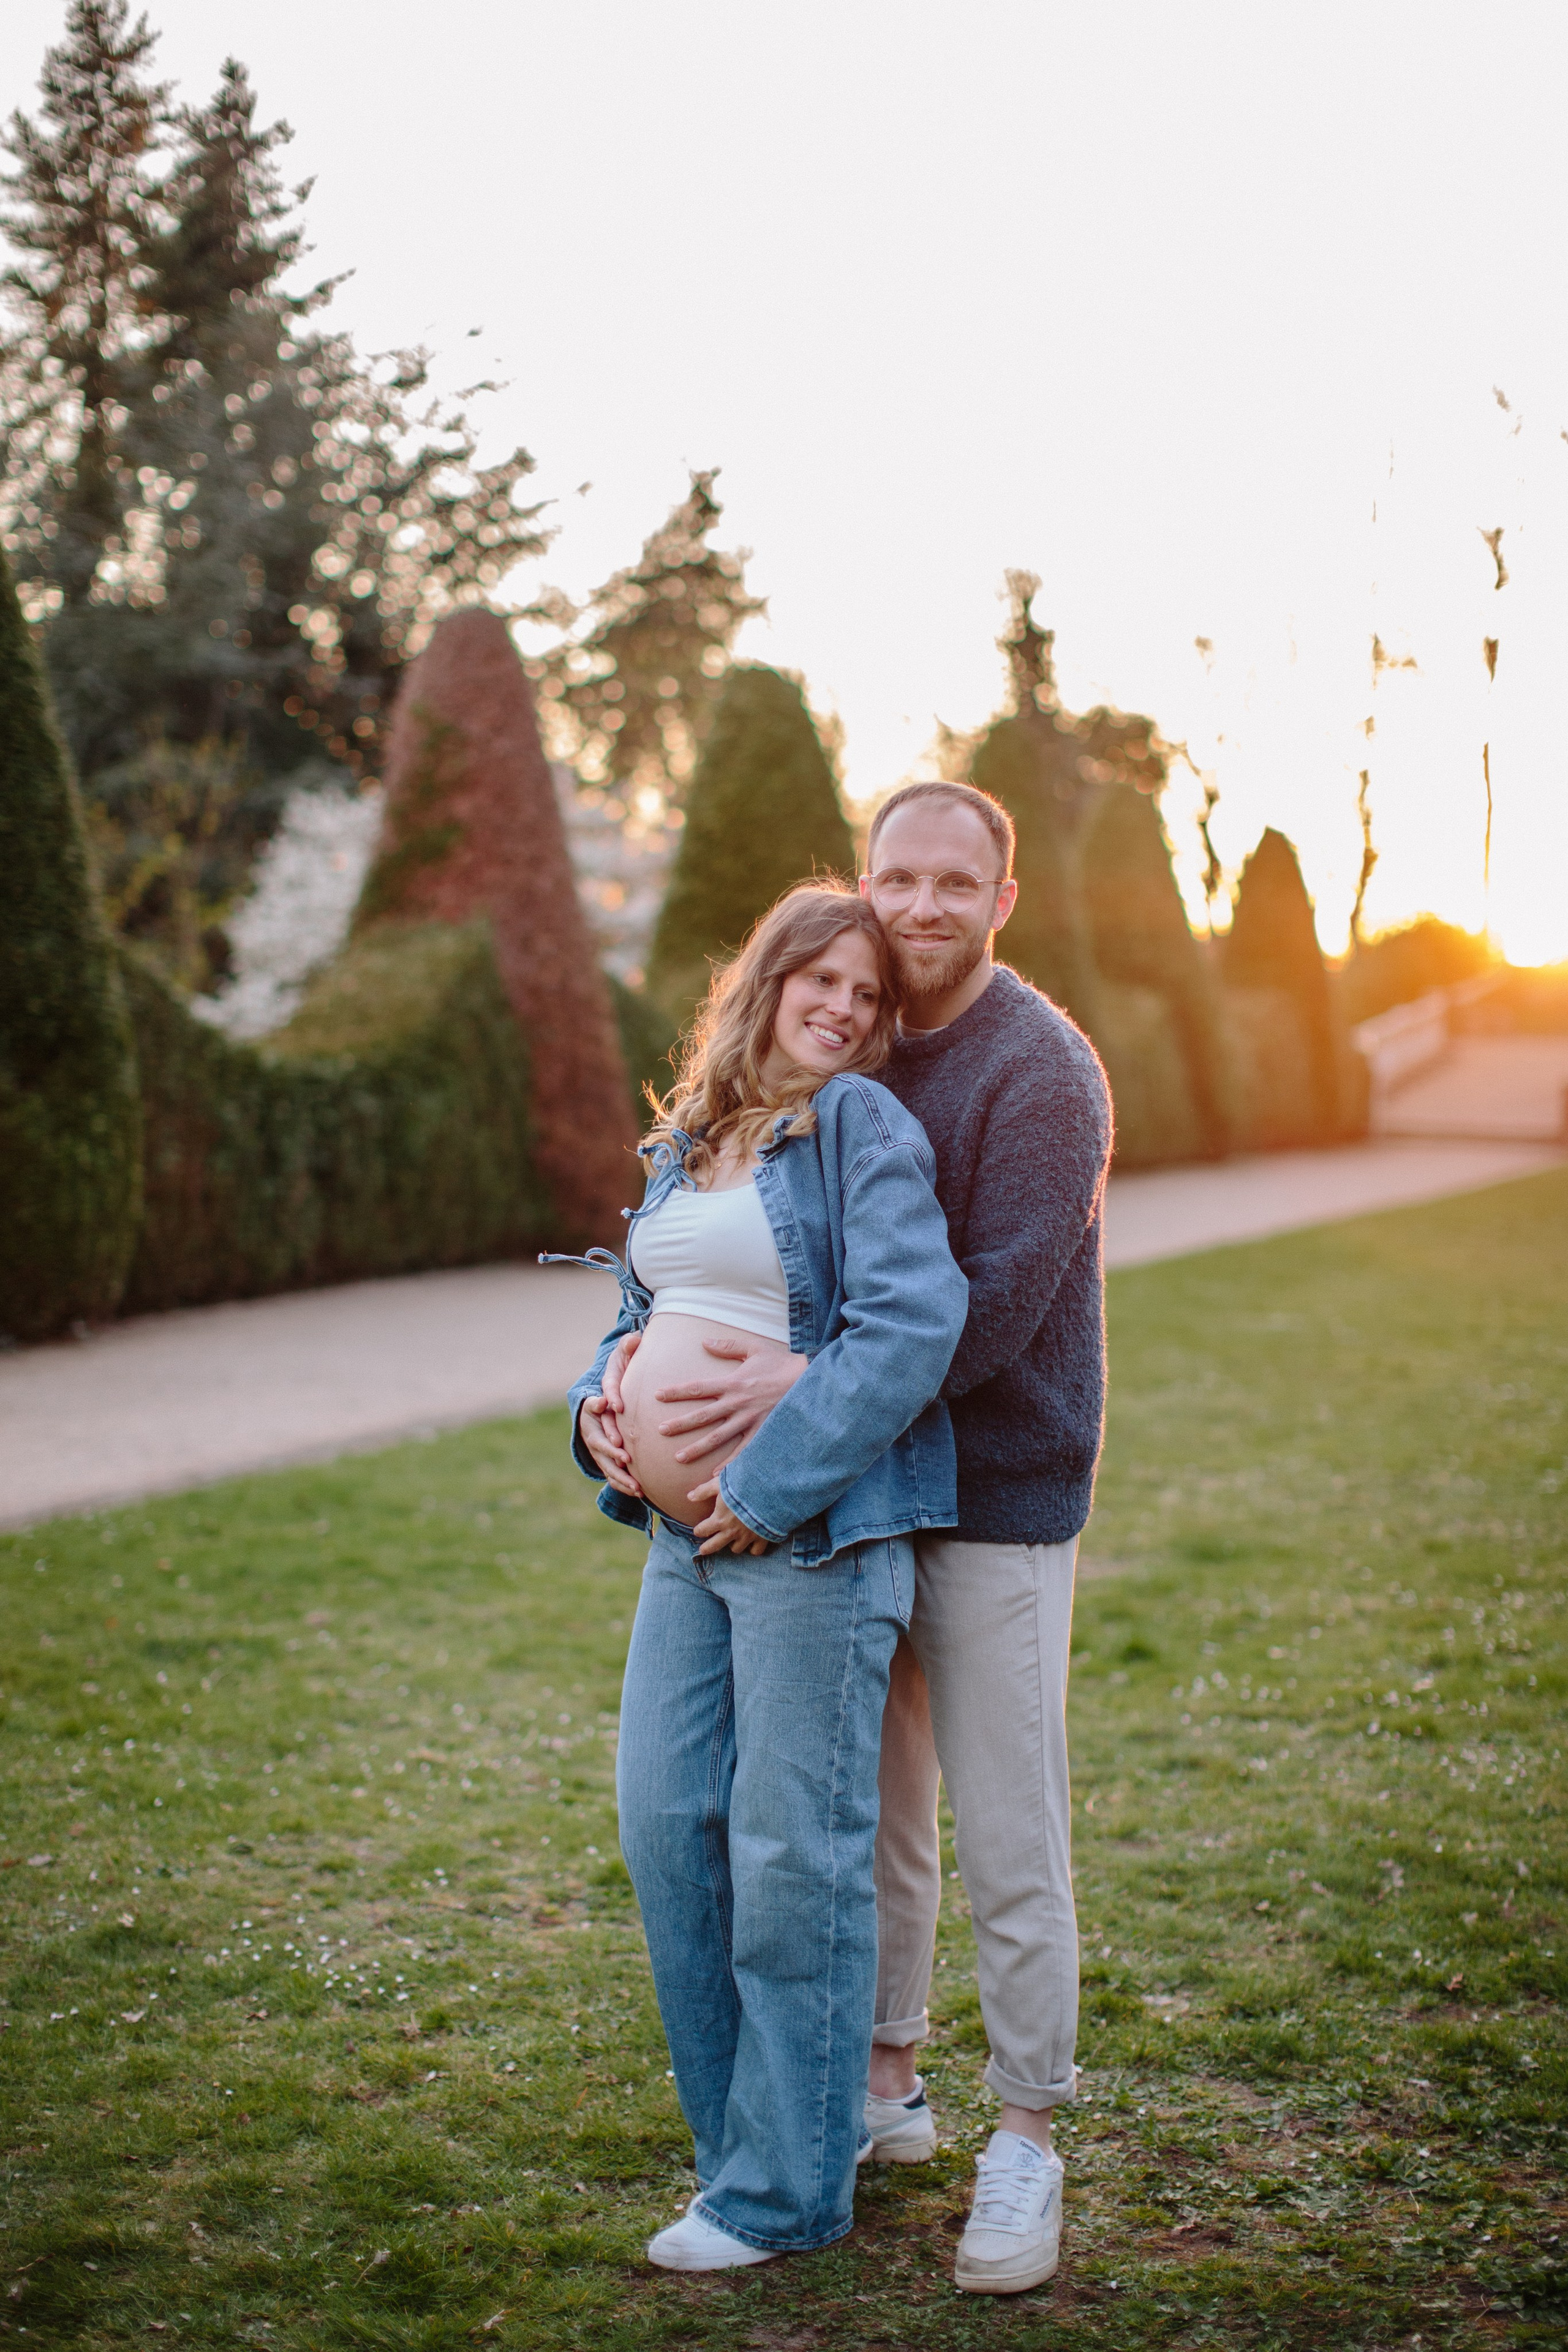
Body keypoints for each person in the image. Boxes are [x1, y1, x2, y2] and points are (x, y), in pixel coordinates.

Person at [606, 781, 1112, 2295]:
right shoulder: (841, 1055)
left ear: (996, 899)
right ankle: (876, 2087)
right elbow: (684, 1294)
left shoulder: (1036, 1070)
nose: (919, 908)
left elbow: (987, 1304)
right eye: (897, 877)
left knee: (1005, 1832)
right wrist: (616, 1410)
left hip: (995, 1488)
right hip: (860, 1488)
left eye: (954, 884)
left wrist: (795, 1406)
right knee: (870, 1829)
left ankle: (1024, 2140)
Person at [560, 882, 968, 2273]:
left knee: (793, 1854)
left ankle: (783, 2192)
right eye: (824, 981)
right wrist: (599, 1412)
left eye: (869, 996)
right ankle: (754, 2145)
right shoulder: (691, 1142)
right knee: (667, 1819)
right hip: (682, 1542)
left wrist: (766, 1480)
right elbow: (638, 1317)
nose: (847, 1009)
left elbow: (915, 1321)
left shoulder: (858, 1124)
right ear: (769, 979)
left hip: (809, 1539)